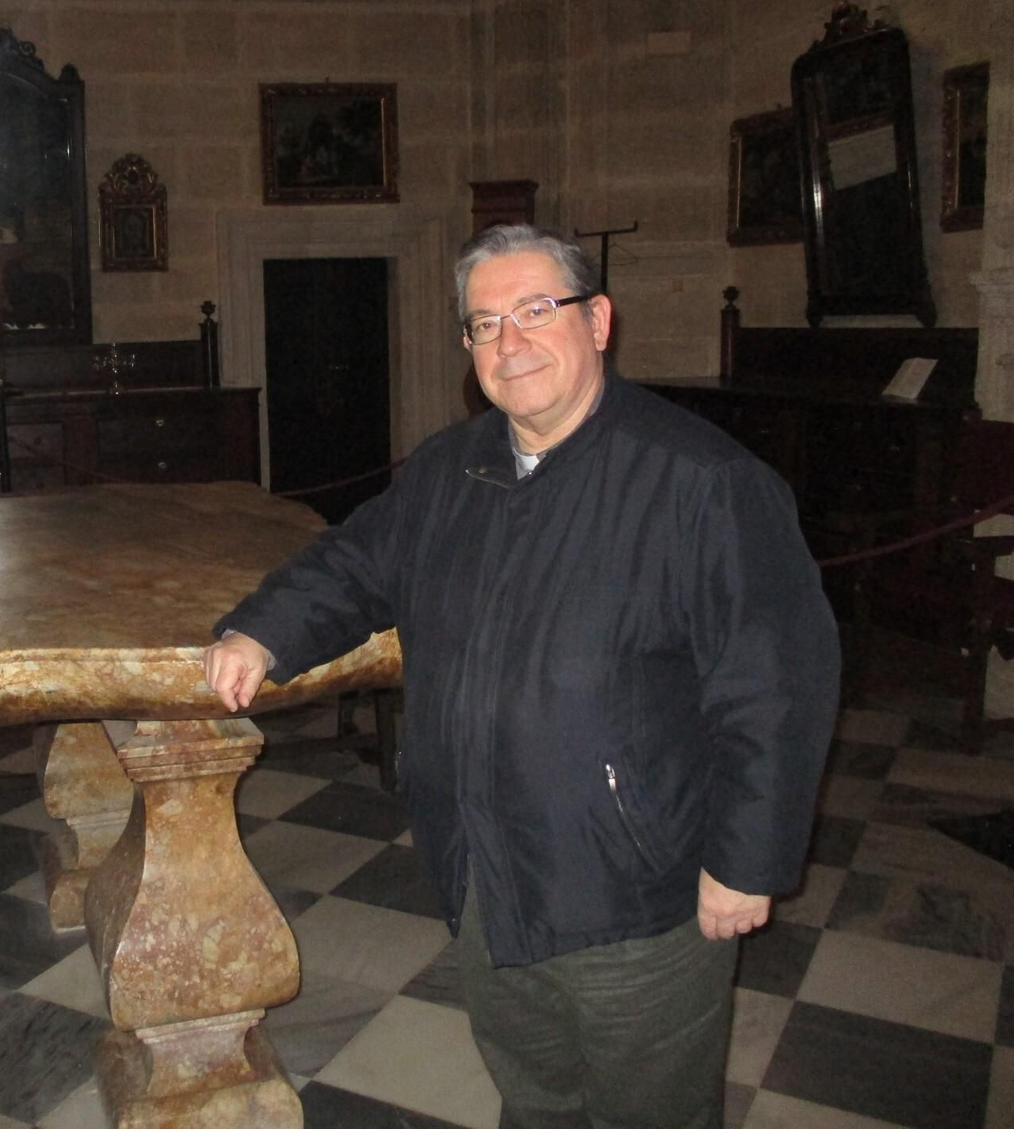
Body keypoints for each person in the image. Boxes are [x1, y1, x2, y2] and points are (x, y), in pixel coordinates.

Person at [203, 224, 840, 1128]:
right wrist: (262, 631)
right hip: (484, 875)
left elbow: (778, 684)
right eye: (485, 323)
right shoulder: (448, 469)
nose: (511, 342)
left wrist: (747, 858)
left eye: (537, 310)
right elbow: (354, 563)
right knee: (535, 1101)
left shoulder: (701, 482)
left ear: (600, 321)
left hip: (634, 893)